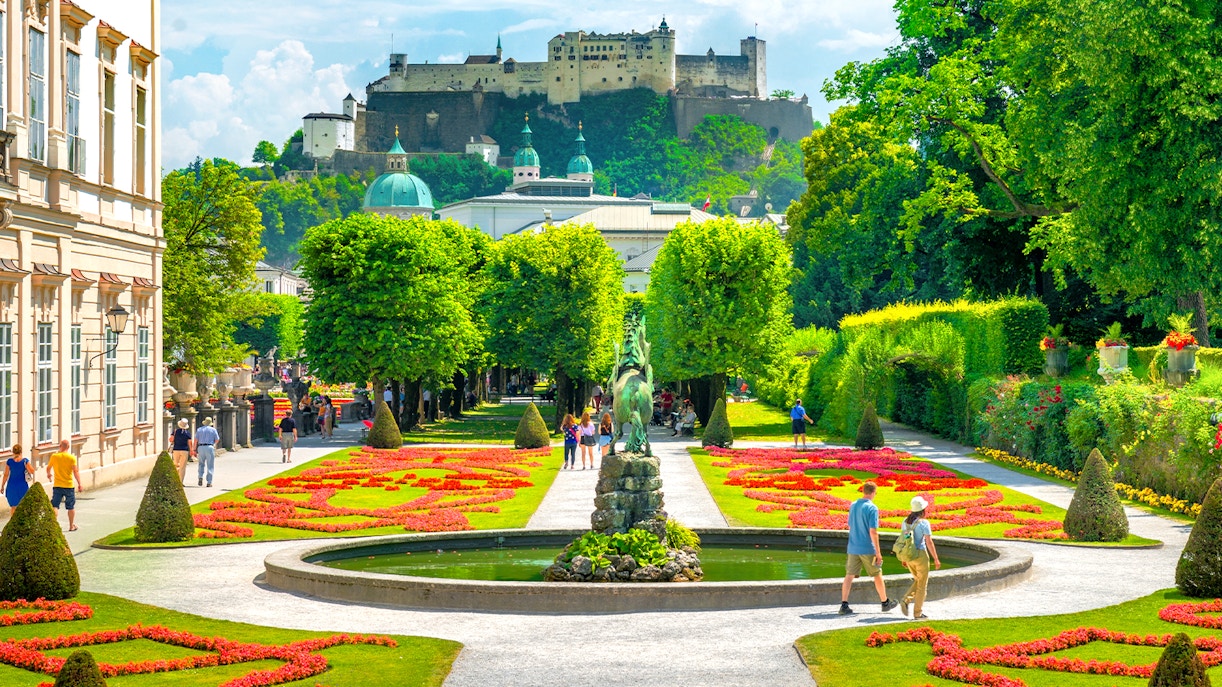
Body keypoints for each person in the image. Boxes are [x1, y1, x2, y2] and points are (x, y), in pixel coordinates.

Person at [839, 481, 898, 615]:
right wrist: (878, 552)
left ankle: (844, 604)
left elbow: (850, 525)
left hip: (853, 547)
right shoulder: (872, 508)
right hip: (867, 548)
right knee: (877, 574)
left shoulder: (853, 505)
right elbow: (873, 531)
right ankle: (885, 602)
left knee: (849, 575)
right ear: (873, 492)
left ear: (863, 491)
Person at [900, 496, 941, 619]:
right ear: (922, 510)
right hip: (921, 555)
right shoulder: (924, 523)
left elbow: (903, 540)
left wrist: (903, 558)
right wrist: (936, 558)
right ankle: (917, 613)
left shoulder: (905, 522)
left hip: (909, 555)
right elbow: (929, 542)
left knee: (918, 580)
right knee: (922, 585)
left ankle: (906, 600)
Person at [46, 440, 82, 532]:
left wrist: (49, 474)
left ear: (60, 446)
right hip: (69, 485)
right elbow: (75, 471)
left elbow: (48, 468)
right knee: (71, 506)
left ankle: (53, 526)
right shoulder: (71, 458)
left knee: (55, 505)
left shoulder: (54, 456)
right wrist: (79, 483)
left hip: (57, 485)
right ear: (68, 447)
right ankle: (71, 526)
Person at [2, 444, 33, 515]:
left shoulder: (9, 461)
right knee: (24, 506)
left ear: (13, 452)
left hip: (12, 486)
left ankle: (13, 524)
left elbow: (6, 475)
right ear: (21, 451)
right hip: (22, 486)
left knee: (13, 507)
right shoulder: (25, 461)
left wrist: (2, 486)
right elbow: (32, 471)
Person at [195, 416, 220, 488]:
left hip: (201, 447)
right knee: (210, 465)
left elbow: (196, 440)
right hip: (209, 446)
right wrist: (214, 444)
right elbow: (217, 439)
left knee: (201, 463)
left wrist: (194, 449)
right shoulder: (213, 430)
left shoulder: (199, 429)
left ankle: (200, 476)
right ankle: (209, 482)